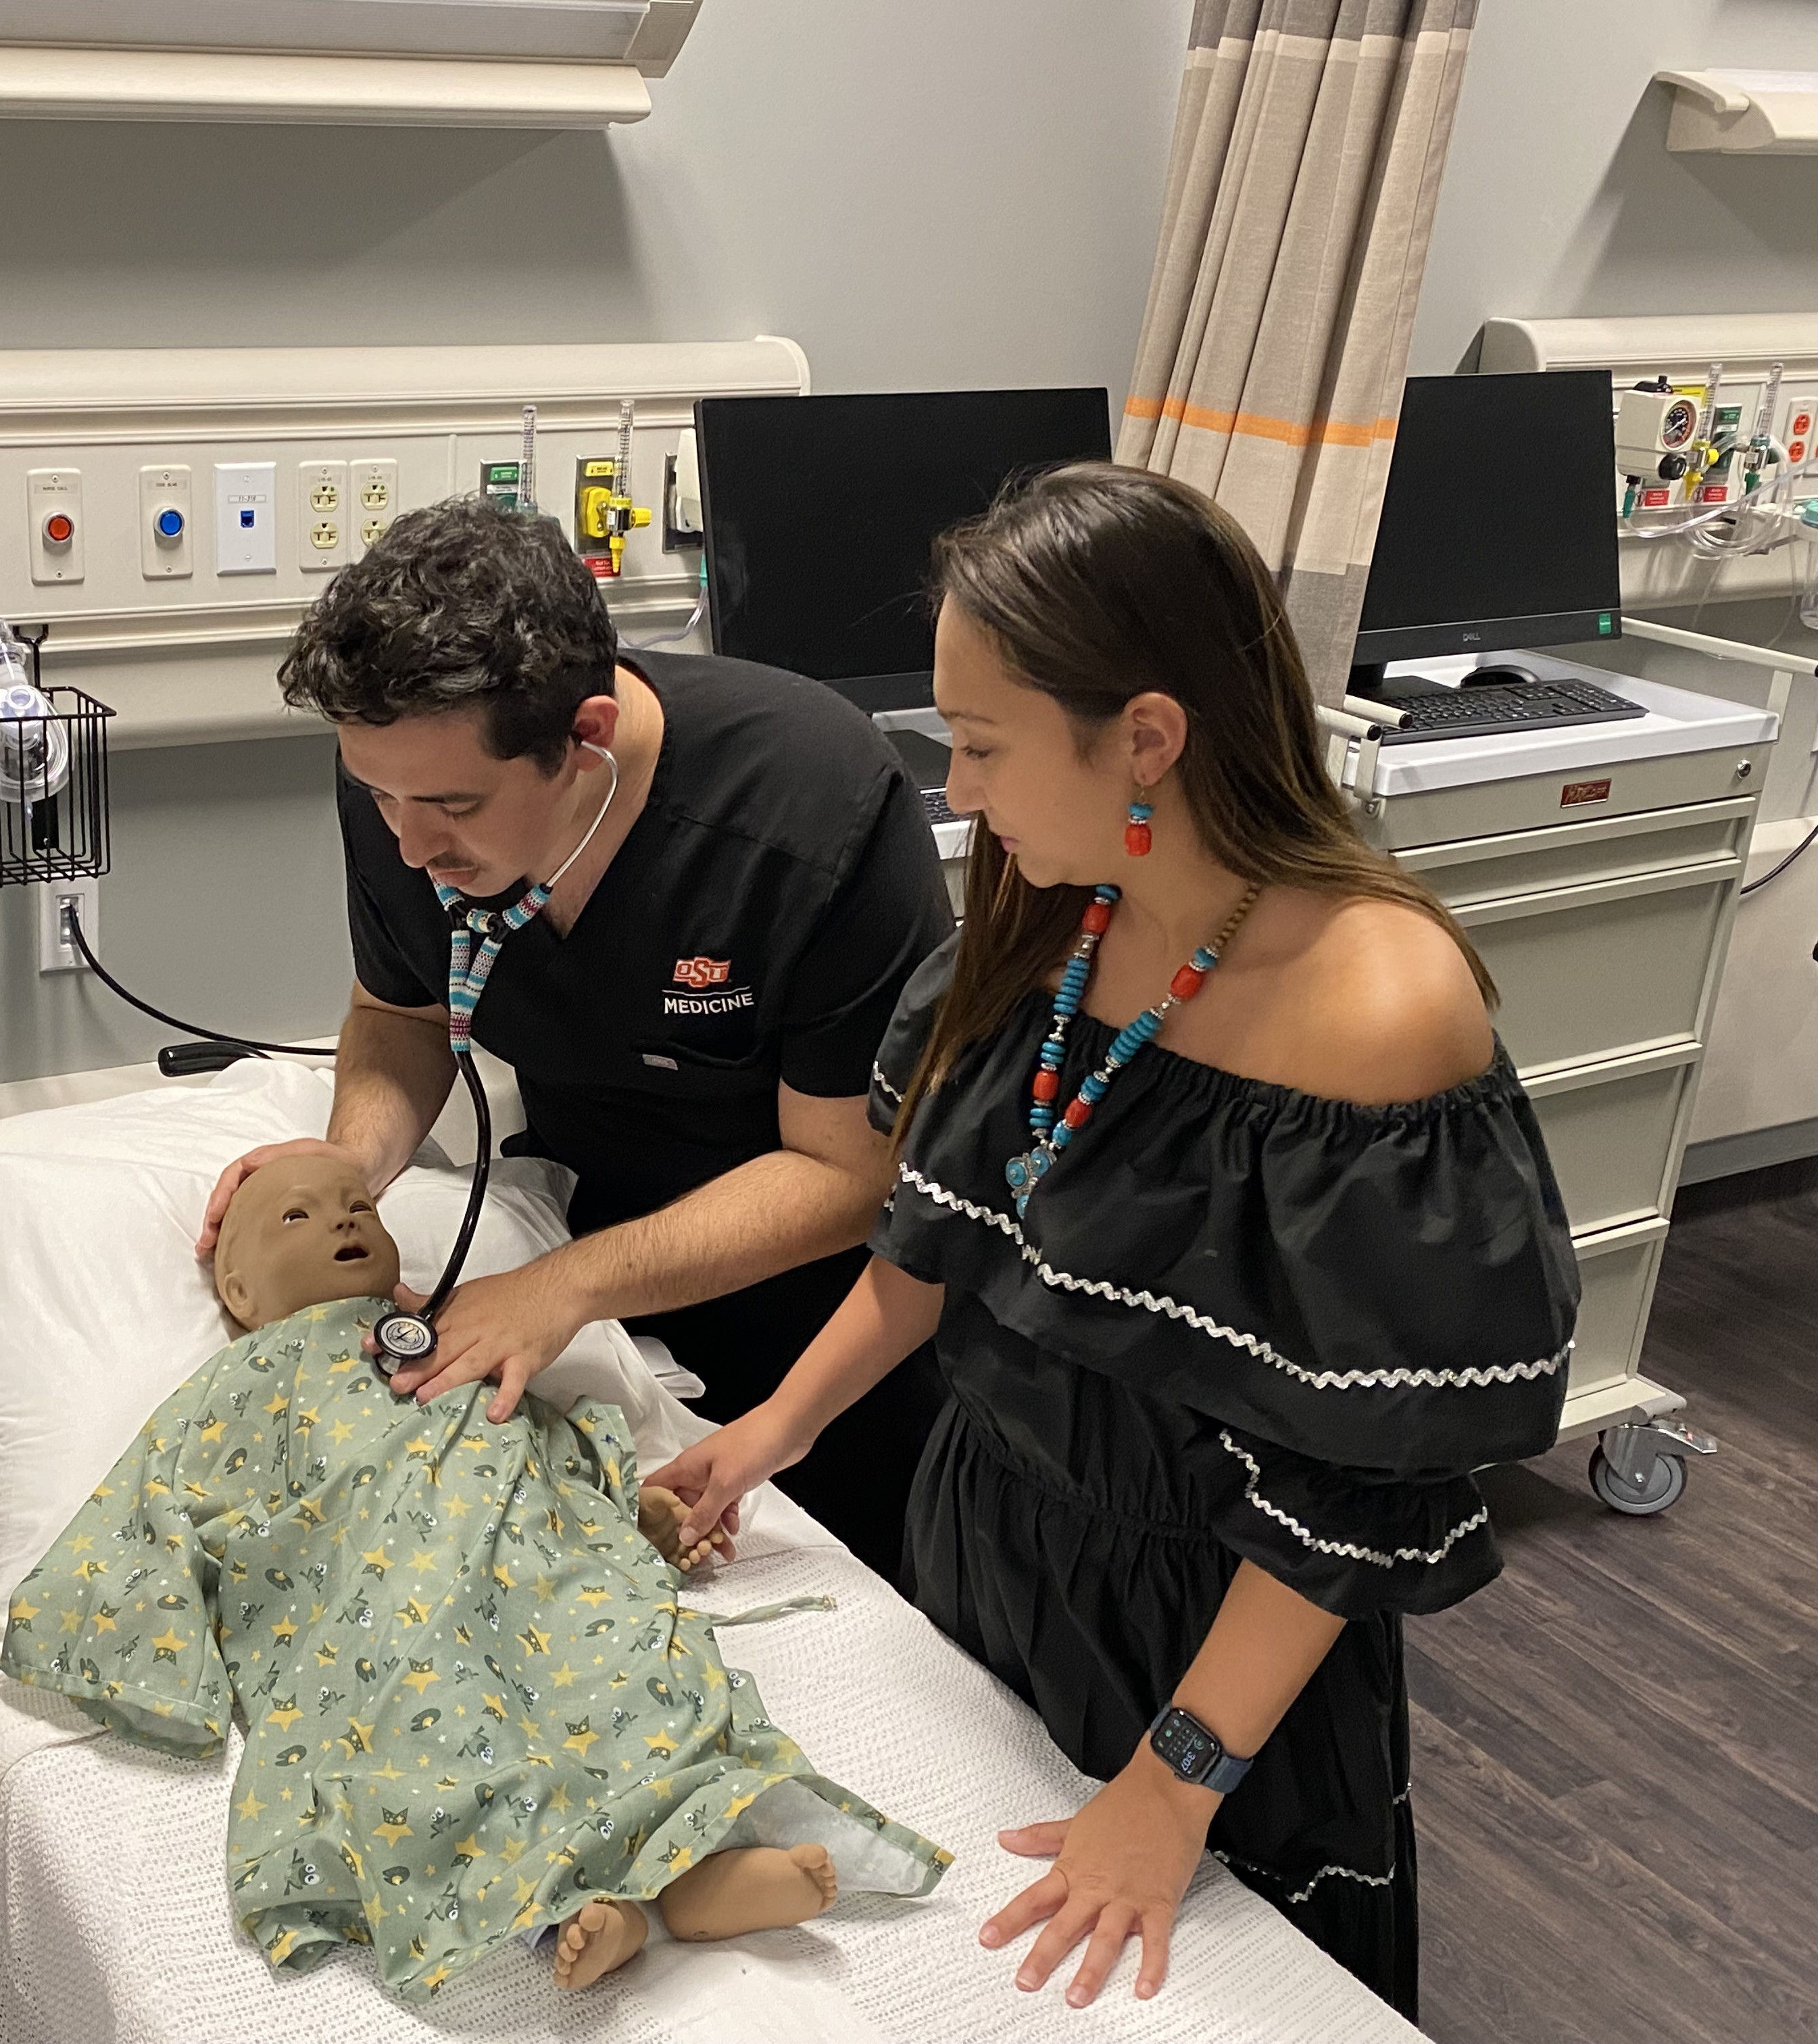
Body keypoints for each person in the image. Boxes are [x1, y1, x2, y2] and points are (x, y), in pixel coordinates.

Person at [647, 464, 1576, 2019]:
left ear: (1146, 736)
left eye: (984, 744)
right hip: (988, 1532)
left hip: (1216, 1622)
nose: (958, 791)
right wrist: (770, 1431)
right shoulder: (1059, 917)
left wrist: (1180, 1778)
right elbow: (947, 1231)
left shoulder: (1374, 1009)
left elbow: (1365, 1476)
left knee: (1197, 1980)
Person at [198, 495, 956, 1578]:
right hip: (584, 1258)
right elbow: (399, 1013)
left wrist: (562, 1289)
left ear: (585, 741)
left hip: (820, 1331)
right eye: (378, 798)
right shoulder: (410, 777)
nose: (411, 846)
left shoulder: (808, 810)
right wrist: (348, 1165)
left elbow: (850, 1174)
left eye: (450, 807)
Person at [3, 1151, 952, 2002]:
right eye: (298, 1217)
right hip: (373, 1604)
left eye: (356, 1207)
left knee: (634, 1665)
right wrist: (162, 1659)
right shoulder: (237, 1383)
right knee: (443, 1739)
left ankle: (706, 1863)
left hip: (536, 1565)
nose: (342, 1222)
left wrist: (634, 1517)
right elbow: (151, 1503)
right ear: (239, 1288)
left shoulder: (467, 1331)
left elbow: (534, 1438)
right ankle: (575, 1913)